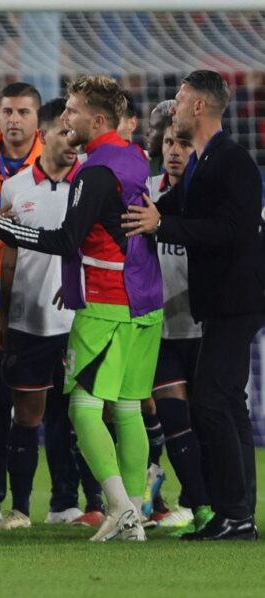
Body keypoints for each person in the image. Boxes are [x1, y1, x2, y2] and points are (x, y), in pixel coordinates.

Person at [0, 75, 160, 542]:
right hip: (144, 300)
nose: (65, 118)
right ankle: (133, 511)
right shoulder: (132, 157)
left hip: (109, 303)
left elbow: (65, 239)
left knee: (81, 407)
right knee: (130, 407)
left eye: (72, 111)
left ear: (96, 120)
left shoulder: (94, 171)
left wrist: (2, 227)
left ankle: (118, 509)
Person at [123, 70, 265, 541]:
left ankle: (235, 512)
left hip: (236, 303)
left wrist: (161, 225)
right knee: (227, 402)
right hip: (220, 304)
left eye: (181, 99)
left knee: (211, 399)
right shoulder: (204, 163)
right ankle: (237, 512)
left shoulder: (233, 161)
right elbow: (175, 210)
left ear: (199, 108)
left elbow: (232, 231)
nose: (175, 107)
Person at [0, 98, 95, 529]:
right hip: (30, 320)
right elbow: (10, 259)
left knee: (83, 414)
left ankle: (82, 504)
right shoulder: (16, 188)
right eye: (64, 133)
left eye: (76, 135)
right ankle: (19, 509)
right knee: (29, 415)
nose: (72, 143)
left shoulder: (92, 184)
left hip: (80, 320)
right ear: (45, 135)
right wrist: (2, 314)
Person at [0, 82, 44, 525]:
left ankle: (71, 501)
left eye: (22, 112)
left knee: (47, 403)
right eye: (7, 111)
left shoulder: (56, 166)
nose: (14, 120)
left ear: (38, 119)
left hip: (40, 298)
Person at [144, 118, 213, 536]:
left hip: (203, 326)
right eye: (170, 142)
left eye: (184, 144)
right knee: (173, 417)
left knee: (206, 419)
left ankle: (214, 502)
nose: (174, 151)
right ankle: (199, 507)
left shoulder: (209, 196)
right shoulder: (147, 193)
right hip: (159, 327)